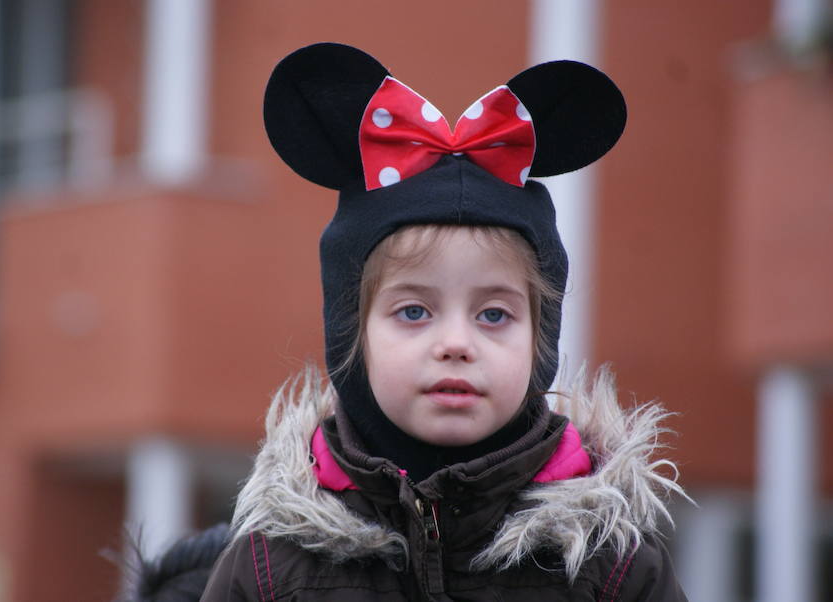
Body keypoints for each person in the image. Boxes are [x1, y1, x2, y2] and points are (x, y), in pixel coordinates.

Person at [196, 43, 689, 601]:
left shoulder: (612, 567)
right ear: (352, 336)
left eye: (494, 314)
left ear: (540, 340)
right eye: (414, 311)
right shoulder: (271, 568)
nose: (456, 343)